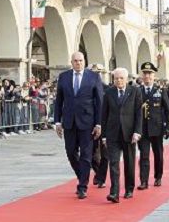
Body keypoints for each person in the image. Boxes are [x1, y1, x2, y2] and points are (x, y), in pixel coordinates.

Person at [54, 52, 103, 199]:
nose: (78, 63)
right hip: (69, 121)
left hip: (87, 122)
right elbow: (59, 100)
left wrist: (99, 123)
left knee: (86, 155)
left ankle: (82, 186)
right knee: (70, 153)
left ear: (84, 61)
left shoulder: (93, 77)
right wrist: (57, 121)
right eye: (75, 61)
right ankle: (82, 175)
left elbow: (99, 102)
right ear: (71, 62)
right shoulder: (64, 77)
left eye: (81, 61)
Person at [101, 68, 142, 203]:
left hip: (129, 134)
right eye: (116, 78)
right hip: (113, 134)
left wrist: (137, 131)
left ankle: (129, 188)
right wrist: (104, 136)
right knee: (113, 163)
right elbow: (104, 115)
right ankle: (114, 192)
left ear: (126, 79)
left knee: (129, 162)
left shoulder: (134, 91)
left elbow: (138, 114)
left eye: (121, 78)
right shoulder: (108, 93)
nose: (118, 80)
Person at [137, 62, 169, 189]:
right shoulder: (137, 91)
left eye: (150, 74)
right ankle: (144, 181)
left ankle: (158, 176)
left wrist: (168, 126)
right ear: (142, 76)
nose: (147, 76)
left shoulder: (160, 91)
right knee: (144, 155)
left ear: (154, 75)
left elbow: (168, 110)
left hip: (157, 128)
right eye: (145, 74)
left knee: (158, 154)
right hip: (142, 129)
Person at [89, 64, 109, 189]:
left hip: (105, 124)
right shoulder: (85, 88)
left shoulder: (108, 89)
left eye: (99, 72)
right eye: (94, 72)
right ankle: (98, 172)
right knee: (90, 153)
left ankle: (101, 177)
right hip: (89, 124)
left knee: (105, 153)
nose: (97, 75)